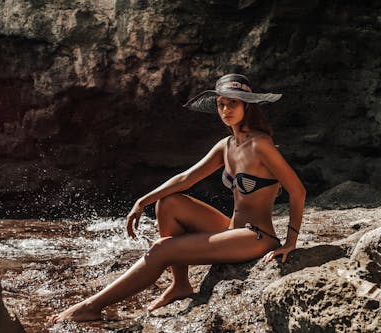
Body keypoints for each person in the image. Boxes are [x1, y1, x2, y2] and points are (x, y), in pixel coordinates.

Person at [47, 73, 306, 323]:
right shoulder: (226, 145)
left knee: (162, 250)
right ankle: (180, 283)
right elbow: (185, 179)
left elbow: (297, 190)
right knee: (169, 203)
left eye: (232, 103)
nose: (225, 109)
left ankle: (90, 307)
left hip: (257, 237)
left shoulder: (261, 144)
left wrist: (290, 242)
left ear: (247, 105)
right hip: (232, 230)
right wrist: (143, 201)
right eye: (221, 104)